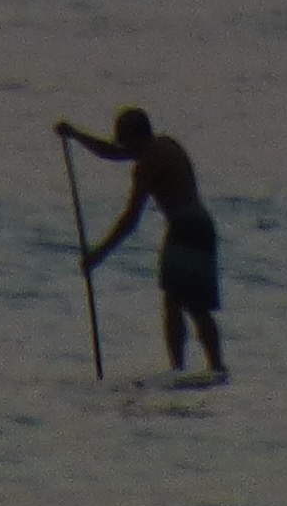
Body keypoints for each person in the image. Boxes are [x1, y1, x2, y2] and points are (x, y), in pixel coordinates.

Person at [56, 105, 225, 381]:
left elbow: (131, 219)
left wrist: (98, 255)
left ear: (135, 138)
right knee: (193, 304)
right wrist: (75, 135)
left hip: (184, 227)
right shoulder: (166, 144)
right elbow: (113, 152)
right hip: (203, 224)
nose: (123, 148)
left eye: (124, 141)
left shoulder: (147, 164)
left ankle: (178, 369)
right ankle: (215, 367)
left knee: (177, 301)